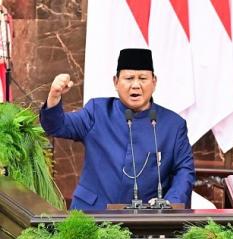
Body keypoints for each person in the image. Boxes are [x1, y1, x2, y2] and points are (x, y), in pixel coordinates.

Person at [41, 48, 195, 210]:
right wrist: (54, 96)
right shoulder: (97, 111)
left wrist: (170, 203)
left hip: (144, 221)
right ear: (116, 82)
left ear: (154, 82)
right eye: (129, 78)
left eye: (143, 78)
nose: (136, 85)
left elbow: (184, 170)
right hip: (91, 214)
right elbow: (57, 126)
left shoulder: (173, 125)